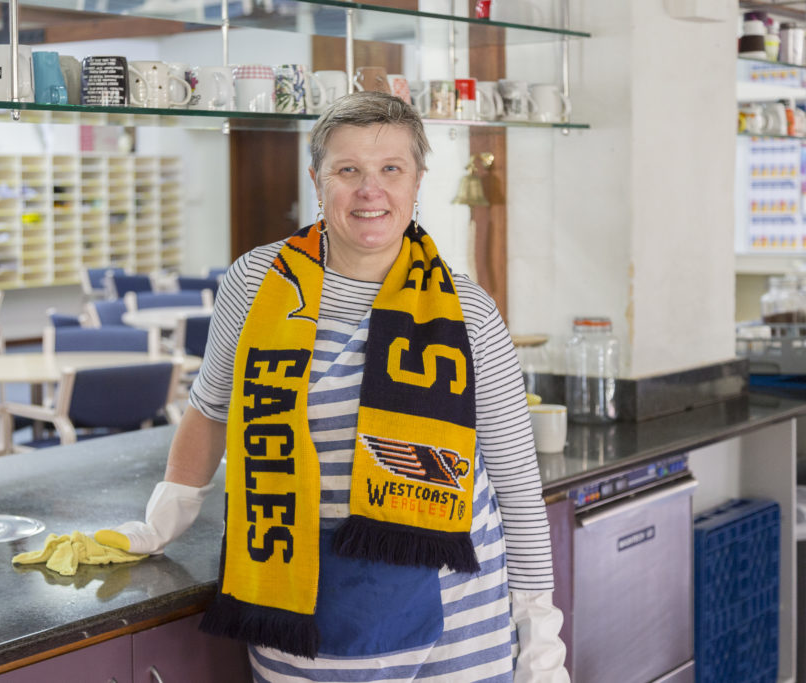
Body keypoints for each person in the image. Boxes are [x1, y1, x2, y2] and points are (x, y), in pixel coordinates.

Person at [96, 91, 569, 682]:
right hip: (301, 614)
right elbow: (212, 411)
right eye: (349, 170)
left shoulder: (467, 312)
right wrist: (165, 517)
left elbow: (518, 486)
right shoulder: (256, 283)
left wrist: (541, 638)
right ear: (317, 179)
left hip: (457, 631)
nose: (371, 190)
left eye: (391, 169)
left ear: (418, 180)